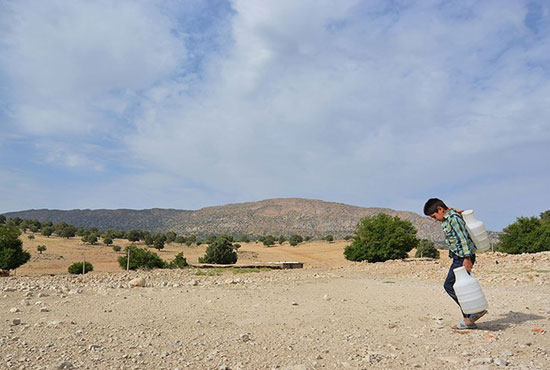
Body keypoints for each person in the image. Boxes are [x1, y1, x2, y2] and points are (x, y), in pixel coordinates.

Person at [423, 198, 487, 329]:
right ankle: (469, 319)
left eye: (434, 216)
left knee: (449, 285)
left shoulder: (453, 219)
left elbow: (463, 238)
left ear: (440, 209)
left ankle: (473, 313)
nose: (435, 219)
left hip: (463, 257)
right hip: (458, 257)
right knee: (459, 287)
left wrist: (467, 258)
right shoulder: (449, 217)